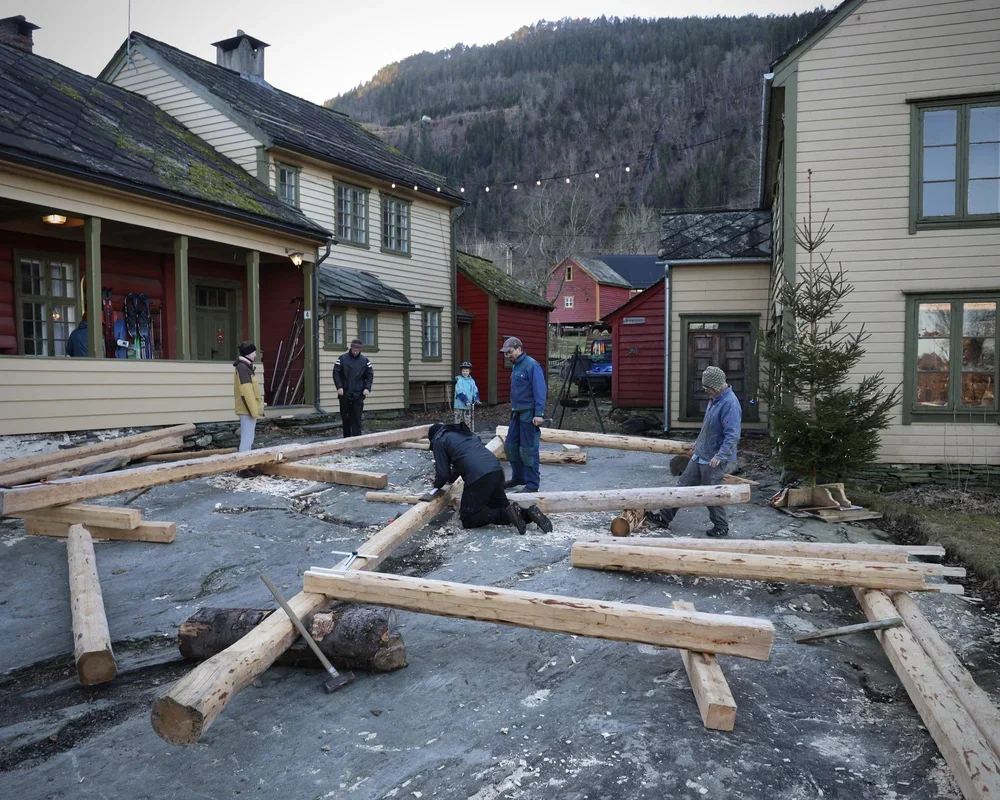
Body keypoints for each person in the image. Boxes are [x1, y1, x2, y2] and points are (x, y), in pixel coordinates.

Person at [648, 366, 742, 537]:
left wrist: (720, 456)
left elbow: (732, 435)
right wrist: (699, 442)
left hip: (714, 459)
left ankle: (721, 526)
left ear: (717, 386)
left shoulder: (730, 404)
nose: (706, 392)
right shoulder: (715, 399)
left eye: (708, 388)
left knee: (711, 494)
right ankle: (664, 517)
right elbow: (708, 426)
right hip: (701, 453)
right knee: (682, 486)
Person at [423, 421, 552, 534]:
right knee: (502, 509)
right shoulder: (464, 434)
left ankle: (508, 513)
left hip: (479, 477)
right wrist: (451, 480)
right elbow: (461, 462)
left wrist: (437, 485)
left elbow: (443, 472)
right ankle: (529, 513)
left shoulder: (439, 439)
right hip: (496, 471)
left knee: (468, 519)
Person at [500, 336, 547, 492]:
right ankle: (519, 477)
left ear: (519, 349)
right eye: (506, 353)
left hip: (529, 414)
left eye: (510, 352)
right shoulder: (516, 366)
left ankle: (532, 484)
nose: (508, 355)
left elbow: (540, 390)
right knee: (510, 446)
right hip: (517, 413)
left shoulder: (532, 365)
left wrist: (539, 413)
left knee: (528, 449)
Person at [333, 339, 374, 437]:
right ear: (351, 348)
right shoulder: (342, 359)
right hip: (345, 392)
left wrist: (367, 388)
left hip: (358, 393)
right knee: (345, 418)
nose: (355, 352)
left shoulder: (364, 361)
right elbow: (336, 373)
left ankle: (357, 439)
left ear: (360, 350)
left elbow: (370, 375)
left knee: (356, 418)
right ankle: (346, 439)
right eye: (354, 350)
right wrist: (339, 386)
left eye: (357, 350)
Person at [233, 341, 264, 453]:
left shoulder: (246, 367)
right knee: (246, 440)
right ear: (248, 353)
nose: (255, 355)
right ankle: (244, 462)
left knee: (248, 438)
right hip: (247, 410)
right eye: (253, 352)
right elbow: (247, 393)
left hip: (248, 409)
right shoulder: (243, 368)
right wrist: (254, 411)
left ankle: (246, 461)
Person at [453, 361, 480, 427]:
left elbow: (475, 391)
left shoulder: (472, 381)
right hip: (459, 405)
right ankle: (457, 432)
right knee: (458, 421)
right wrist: (465, 400)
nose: (465, 373)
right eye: (463, 371)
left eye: (466, 371)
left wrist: (476, 399)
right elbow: (459, 391)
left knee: (468, 421)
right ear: (461, 371)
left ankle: (467, 431)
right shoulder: (459, 381)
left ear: (469, 371)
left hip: (468, 405)